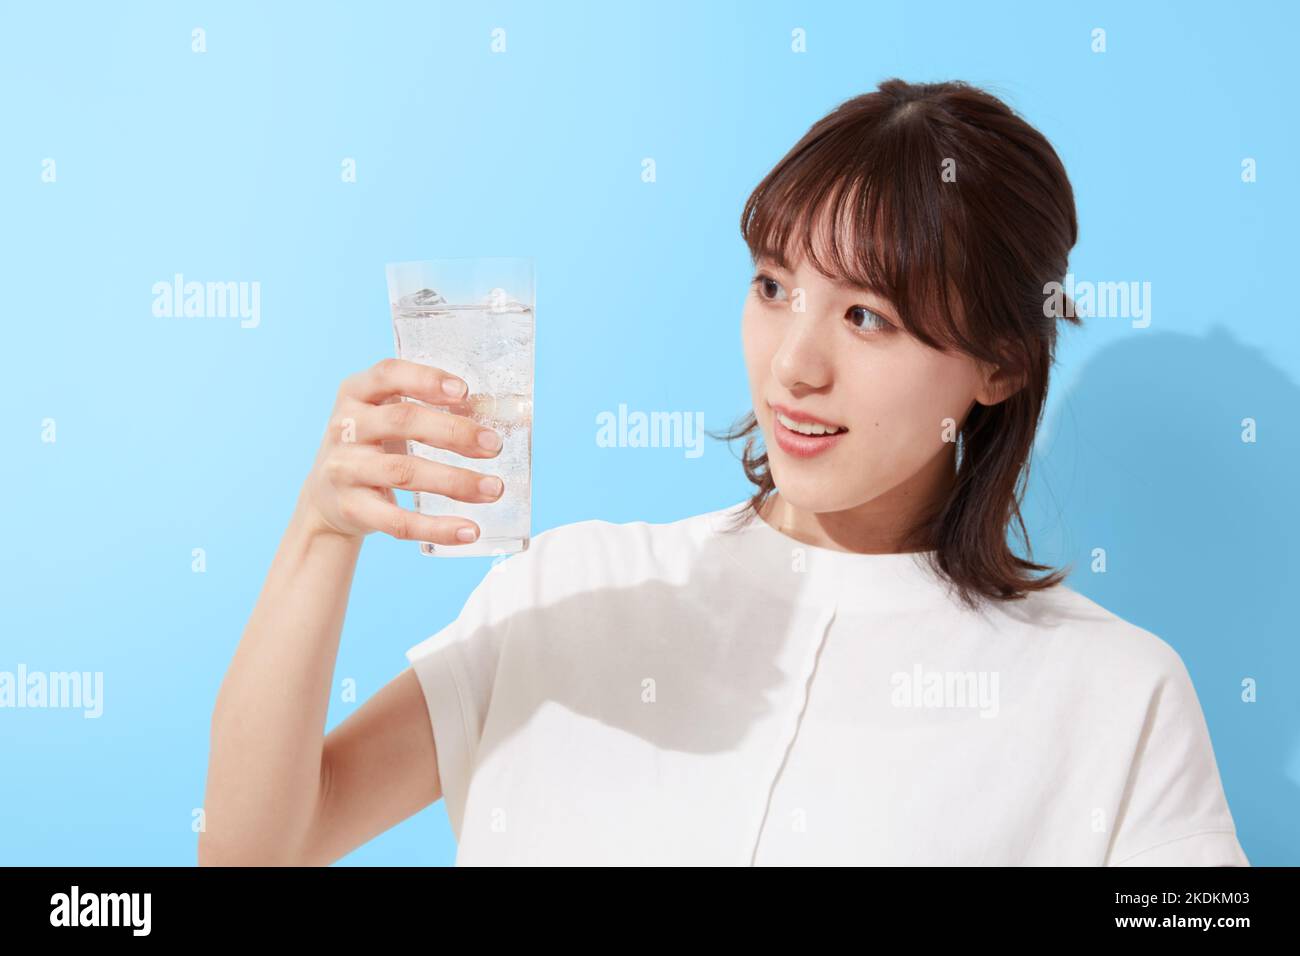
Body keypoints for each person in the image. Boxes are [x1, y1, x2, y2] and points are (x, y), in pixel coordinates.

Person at [199, 78, 1249, 866]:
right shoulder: (573, 588)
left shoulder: (1114, 695)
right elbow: (253, 849)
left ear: (1000, 364)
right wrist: (321, 532)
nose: (794, 365)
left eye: (866, 315)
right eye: (773, 284)